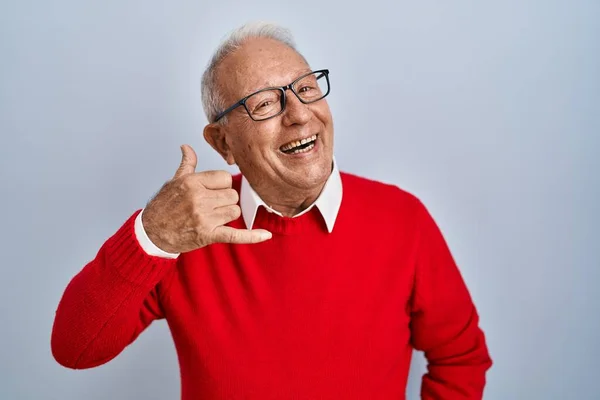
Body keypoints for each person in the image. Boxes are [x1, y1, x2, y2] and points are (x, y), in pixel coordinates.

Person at [51, 22, 492, 400]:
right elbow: (76, 349)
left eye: (305, 88)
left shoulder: (402, 218)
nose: (299, 115)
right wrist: (151, 236)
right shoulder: (186, 230)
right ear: (223, 142)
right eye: (264, 103)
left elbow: (460, 358)